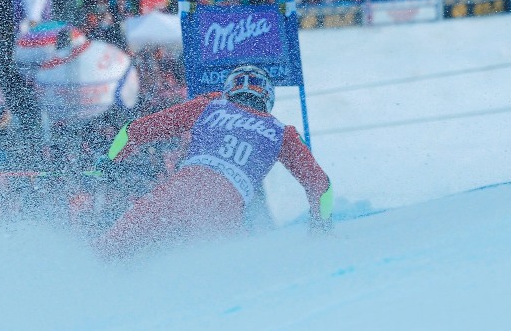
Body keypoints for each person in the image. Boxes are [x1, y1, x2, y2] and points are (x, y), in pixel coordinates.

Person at [94, 65, 332, 255]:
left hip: (178, 190)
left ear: (230, 89)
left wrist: (106, 162)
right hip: (224, 209)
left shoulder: (209, 105)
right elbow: (322, 187)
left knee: (109, 250)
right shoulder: (282, 133)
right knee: (210, 275)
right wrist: (322, 227)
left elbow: (133, 131)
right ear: (268, 96)